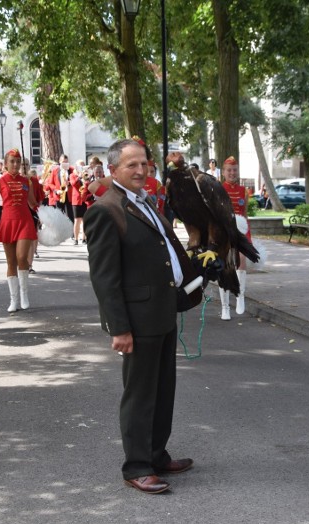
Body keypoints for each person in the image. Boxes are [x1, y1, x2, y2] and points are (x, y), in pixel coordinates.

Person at [84, 138, 202, 495]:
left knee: (163, 389)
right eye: (131, 165)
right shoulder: (106, 210)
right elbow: (105, 278)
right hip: (136, 319)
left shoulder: (146, 202)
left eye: (144, 164)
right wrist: (118, 328)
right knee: (139, 394)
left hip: (162, 311)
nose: (140, 170)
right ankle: (136, 466)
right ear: (113, 170)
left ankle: (156, 453)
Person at [0, 149, 38, 312]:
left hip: (25, 222)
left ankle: (24, 294)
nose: (15, 164)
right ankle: (14, 300)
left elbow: (33, 203)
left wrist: (46, 214)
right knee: (11, 262)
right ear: (5, 164)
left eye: (18, 161)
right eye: (12, 161)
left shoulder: (28, 181)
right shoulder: (0, 182)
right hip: (7, 223)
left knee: (22, 257)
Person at [219, 156, 252, 320]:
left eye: (234, 170)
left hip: (240, 232)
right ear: (223, 172)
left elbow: (244, 215)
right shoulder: (218, 189)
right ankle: (225, 307)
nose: (232, 173)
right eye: (229, 170)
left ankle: (240, 296)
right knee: (225, 267)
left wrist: (247, 237)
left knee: (241, 260)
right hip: (223, 231)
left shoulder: (243, 191)